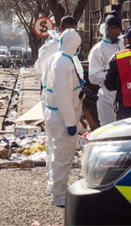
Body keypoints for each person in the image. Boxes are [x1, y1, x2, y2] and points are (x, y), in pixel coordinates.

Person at [41, 29, 84, 207]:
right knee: (63, 155)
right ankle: (59, 195)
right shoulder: (64, 62)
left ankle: (53, 187)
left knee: (54, 150)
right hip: (62, 116)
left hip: (53, 114)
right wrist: (70, 122)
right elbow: (63, 95)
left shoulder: (55, 58)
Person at [87, 13, 122, 126]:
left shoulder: (125, 44)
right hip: (107, 98)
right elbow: (93, 77)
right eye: (110, 28)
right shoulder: (98, 49)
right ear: (105, 29)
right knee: (109, 132)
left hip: (125, 98)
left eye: (116, 28)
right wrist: (112, 76)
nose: (113, 31)